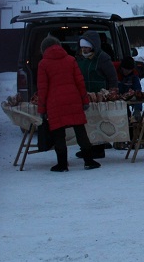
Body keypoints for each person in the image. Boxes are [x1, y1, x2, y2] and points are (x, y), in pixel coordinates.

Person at [36, 36, 100, 171]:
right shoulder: (71, 60)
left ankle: (62, 164)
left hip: (54, 103)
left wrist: (42, 109)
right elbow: (80, 82)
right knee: (80, 131)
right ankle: (88, 161)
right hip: (73, 99)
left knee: (58, 134)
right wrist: (84, 100)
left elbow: (42, 89)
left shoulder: (43, 64)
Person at [75, 30, 118, 159]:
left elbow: (112, 77)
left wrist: (112, 91)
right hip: (84, 96)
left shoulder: (103, 58)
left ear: (93, 46)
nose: (84, 49)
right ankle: (86, 148)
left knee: (98, 122)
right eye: (82, 47)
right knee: (85, 124)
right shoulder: (79, 58)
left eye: (87, 47)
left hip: (99, 96)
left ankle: (99, 149)